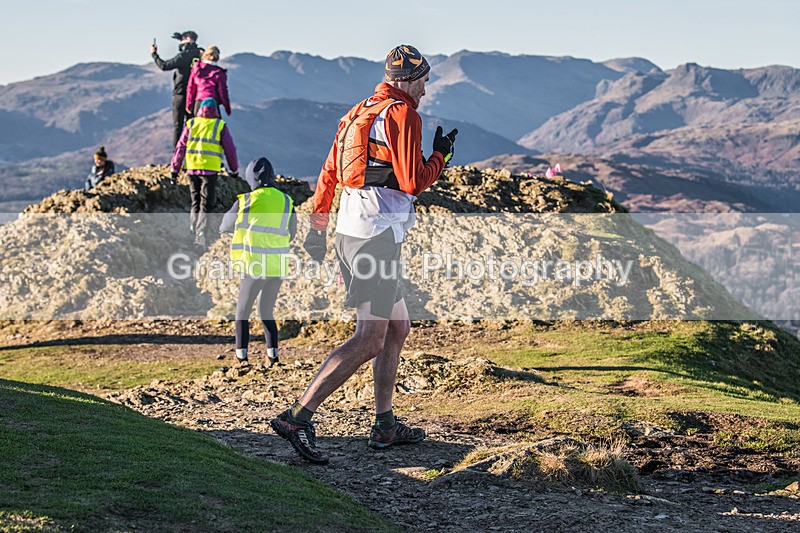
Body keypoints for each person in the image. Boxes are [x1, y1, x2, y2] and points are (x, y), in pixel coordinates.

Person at [270, 44, 458, 465]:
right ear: (409, 79)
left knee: (398, 327)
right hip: (376, 236)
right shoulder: (403, 113)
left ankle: (385, 424)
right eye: (425, 79)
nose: (426, 88)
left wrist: (317, 229)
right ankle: (298, 417)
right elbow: (411, 182)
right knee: (370, 337)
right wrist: (441, 157)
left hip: (353, 230)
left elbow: (328, 172)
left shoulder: (357, 112)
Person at [220, 157, 296, 366]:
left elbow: (224, 226)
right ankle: (272, 356)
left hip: (254, 265)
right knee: (266, 312)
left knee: (242, 313)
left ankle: (241, 359)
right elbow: (293, 232)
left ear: (250, 178)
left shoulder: (246, 200)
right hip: (277, 266)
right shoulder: (286, 201)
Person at [171, 97, 238, 248]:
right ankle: (200, 237)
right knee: (206, 205)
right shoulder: (219, 125)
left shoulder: (191, 123)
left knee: (195, 202)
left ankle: (191, 232)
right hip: (210, 170)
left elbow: (180, 147)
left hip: (192, 168)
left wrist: (174, 169)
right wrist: (234, 170)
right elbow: (230, 150)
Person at [151, 31, 203, 148]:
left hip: (180, 95)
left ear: (188, 39)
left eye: (182, 40)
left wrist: (154, 54)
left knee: (178, 126)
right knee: (193, 125)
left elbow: (164, 66)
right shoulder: (200, 55)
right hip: (196, 97)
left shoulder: (183, 56)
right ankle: (193, 155)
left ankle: (177, 157)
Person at [186, 45, 231, 116]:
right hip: (213, 103)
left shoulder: (197, 69)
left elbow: (191, 88)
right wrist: (227, 108)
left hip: (199, 103)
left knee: (198, 125)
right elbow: (223, 91)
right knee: (216, 126)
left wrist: (189, 104)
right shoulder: (219, 72)